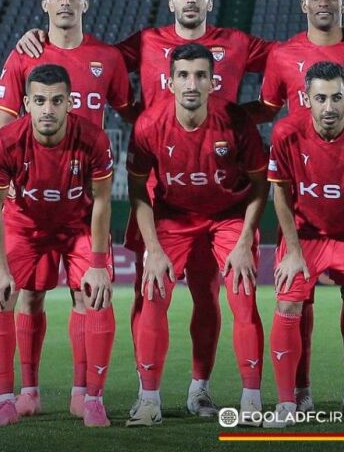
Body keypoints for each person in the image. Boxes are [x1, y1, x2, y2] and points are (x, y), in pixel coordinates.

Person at [15, 0, 344, 416]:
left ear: (209, 0)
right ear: (171, 0)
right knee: (150, 295)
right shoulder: (146, 42)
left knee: (214, 296)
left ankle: (203, 390)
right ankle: (147, 395)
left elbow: (296, 53)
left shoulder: (236, 43)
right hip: (164, 201)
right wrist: (40, 38)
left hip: (224, 199)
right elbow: (89, 56)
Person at [0, 0, 134, 420]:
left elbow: (132, 113)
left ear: (85, 3)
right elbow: (2, 121)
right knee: (28, 296)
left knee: (87, 295)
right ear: (45, 4)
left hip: (82, 205)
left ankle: (83, 394)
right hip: (30, 204)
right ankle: (26, 394)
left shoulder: (107, 58)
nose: (66, 2)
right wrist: (6, 168)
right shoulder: (25, 53)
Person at [244, 0, 344, 417]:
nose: (324, 3)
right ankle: (295, 395)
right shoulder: (283, 57)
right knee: (292, 301)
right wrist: (220, 117)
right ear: (303, 5)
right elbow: (267, 111)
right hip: (304, 214)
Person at [125, 43, 268, 427]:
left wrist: (244, 242)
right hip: (173, 217)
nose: (192, 83)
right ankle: (148, 400)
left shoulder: (236, 122)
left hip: (228, 217)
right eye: (184, 75)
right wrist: (152, 248)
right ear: (170, 82)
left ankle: (247, 400)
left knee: (241, 295)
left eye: (200, 75)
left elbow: (260, 185)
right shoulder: (149, 125)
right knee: (153, 293)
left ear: (212, 82)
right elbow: (138, 189)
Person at [0, 64, 116, 428]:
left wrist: (98, 264)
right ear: (26, 104)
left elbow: (102, 201)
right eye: (39, 101)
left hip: (77, 225)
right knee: (4, 295)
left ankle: (89, 398)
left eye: (57, 101)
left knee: (95, 295)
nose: (48, 109)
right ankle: (11, 400)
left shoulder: (94, 140)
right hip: (25, 226)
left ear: (70, 103)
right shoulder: (5, 142)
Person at [265, 61, 344, 427]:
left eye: (337, 97)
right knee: (288, 302)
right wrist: (292, 251)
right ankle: (288, 403)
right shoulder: (286, 132)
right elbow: (281, 193)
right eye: (320, 98)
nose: (329, 106)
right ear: (306, 99)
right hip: (306, 236)